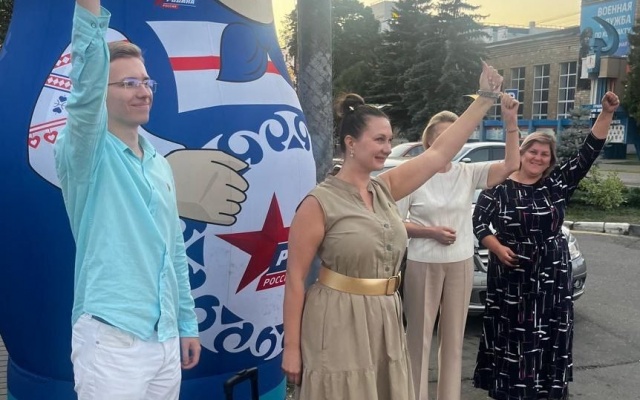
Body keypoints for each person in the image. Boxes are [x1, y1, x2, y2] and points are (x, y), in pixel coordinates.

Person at [281, 62, 504, 399]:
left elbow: (439, 152)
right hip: (337, 317)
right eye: (379, 139)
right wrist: (292, 348)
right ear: (351, 143)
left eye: (389, 139)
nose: (387, 147)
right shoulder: (318, 203)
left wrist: (485, 98)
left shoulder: (385, 189)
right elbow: (295, 279)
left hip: (385, 314)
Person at [54, 1, 201, 398]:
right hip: (112, 338)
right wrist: (89, 11)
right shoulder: (85, 153)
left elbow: (173, 250)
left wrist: (185, 324)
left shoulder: (158, 163)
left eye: (146, 82)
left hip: (165, 338)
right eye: (129, 83)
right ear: (101, 92)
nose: (143, 92)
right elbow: (85, 85)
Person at [472, 92, 620, 400]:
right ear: (521, 152)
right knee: (514, 335)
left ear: (550, 161)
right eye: (532, 151)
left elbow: (588, 152)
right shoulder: (498, 186)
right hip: (512, 275)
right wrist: (496, 248)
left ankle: (547, 391)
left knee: (549, 333)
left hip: (552, 274)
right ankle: (511, 391)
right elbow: (479, 223)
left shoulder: (556, 184)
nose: (538, 158)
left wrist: (606, 114)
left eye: (544, 154)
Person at [396, 93, 520, 400]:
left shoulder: (467, 172)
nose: (450, 142)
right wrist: (429, 232)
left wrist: (510, 122)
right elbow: (394, 223)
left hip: (460, 262)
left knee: (452, 340)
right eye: (443, 136)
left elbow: (511, 165)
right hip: (423, 262)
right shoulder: (413, 174)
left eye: (456, 135)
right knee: (418, 338)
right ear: (429, 140)